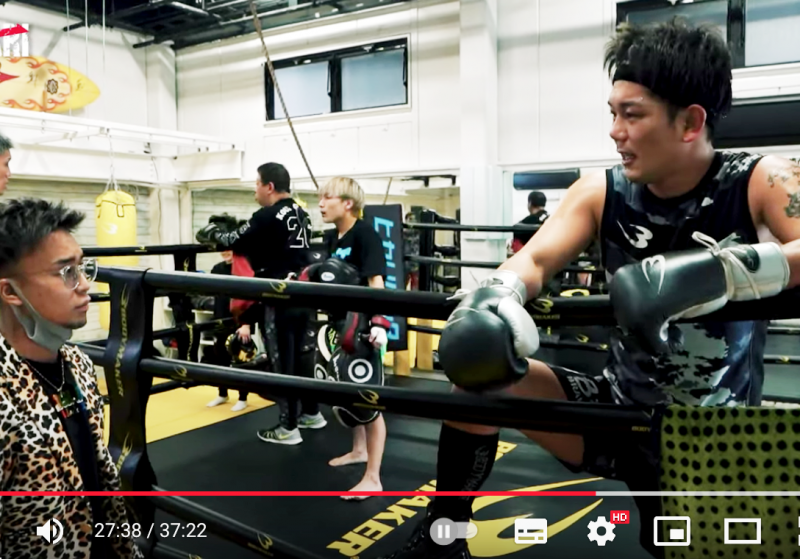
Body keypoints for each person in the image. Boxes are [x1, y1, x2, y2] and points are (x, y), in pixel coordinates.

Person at [382, 19, 800, 559]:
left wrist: (719, 272)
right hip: (617, 411)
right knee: (482, 378)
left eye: (633, 114)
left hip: (715, 435)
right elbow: (536, 258)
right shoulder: (602, 190)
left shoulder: (758, 180)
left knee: (682, 549)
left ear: (691, 122)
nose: (615, 131)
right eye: (613, 113)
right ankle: (445, 538)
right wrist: (497, 293)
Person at [0, 198, 141, 557]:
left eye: (81, 267)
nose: (84, 285)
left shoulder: (77, 364)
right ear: (10, 292)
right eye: (65, 272)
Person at [196, 162, 323, 444]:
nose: (254, 190)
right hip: (304, 294)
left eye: (256, 184)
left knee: (282, 362)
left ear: (269, 186)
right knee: (303, 357)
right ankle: (311, 413)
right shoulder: (302, 213)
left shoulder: (267, 215)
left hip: (278, 296)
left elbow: (232, 239)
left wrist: (212, 232)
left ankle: (287, 428)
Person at [318, 176, 389, 499]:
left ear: (348, 203)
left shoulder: (365, 234)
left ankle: (373, 478)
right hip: (338, 323)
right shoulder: (333, 237)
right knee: (348, 393)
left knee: (369, 399)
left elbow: (376, 282)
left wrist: (379, 323)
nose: (321, 204)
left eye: (328, 197)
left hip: (361, 326)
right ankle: (359, 450)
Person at [204, 250, 253, 411]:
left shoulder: (243, 268)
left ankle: (243, 398)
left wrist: (246, 324)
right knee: (220, 359)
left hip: (239, 321)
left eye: (229, 249)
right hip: (220, 319)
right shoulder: (217, 269)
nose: (225, 253)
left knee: (240, 361)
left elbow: (249, 297)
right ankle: (222, 394)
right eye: (222, 250)